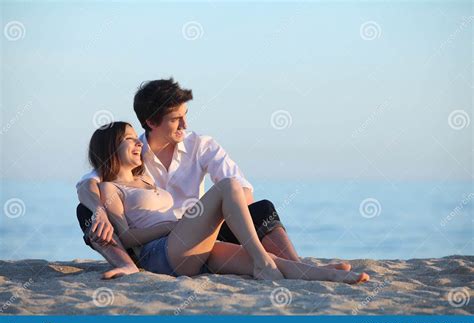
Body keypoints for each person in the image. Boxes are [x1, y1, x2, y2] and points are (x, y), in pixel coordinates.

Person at [76, 78, 351, 279]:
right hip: (164, 243)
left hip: (205, 226)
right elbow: (89, 183)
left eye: (186, 116)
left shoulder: (201, 145)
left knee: (261, 208)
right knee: (85, 210)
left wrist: (208, 216)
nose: (185, 125)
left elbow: (242, 191)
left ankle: (309, 270)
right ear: (151, 122)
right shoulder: (133, 155)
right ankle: (124, 262)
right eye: (175, 119)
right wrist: (100, 209)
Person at [87, 121, 370, 283]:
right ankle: (263, 261)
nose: (138, 143)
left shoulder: (145, 181)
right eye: (128, 139)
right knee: (227, 187)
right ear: (111, 148)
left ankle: (324, 275)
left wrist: (179, 225)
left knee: (267, 260)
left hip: (185, 247)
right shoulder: (110, 188)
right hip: (160, 253)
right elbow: (128, 236)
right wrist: (173, 226)